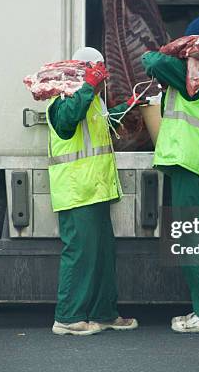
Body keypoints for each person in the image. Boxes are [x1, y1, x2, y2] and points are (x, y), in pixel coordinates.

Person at [141, 17, 199, 333]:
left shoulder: (194, 73)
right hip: (197, 163)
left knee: (192, 239)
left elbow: (149, 59)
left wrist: (177, 48)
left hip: (189, 163)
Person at [47, 47, 141, 336]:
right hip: (77, 192)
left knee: (102, 254)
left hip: (96, 189)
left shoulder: (93, 98)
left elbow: (101, 122)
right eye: (97, 72)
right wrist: (88, 86)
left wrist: (127, 105)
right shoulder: (63, 95)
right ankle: (68, 317)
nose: (102, 78)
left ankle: (104, 313)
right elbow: (65, 123)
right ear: (85, 70)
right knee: (80, 254)